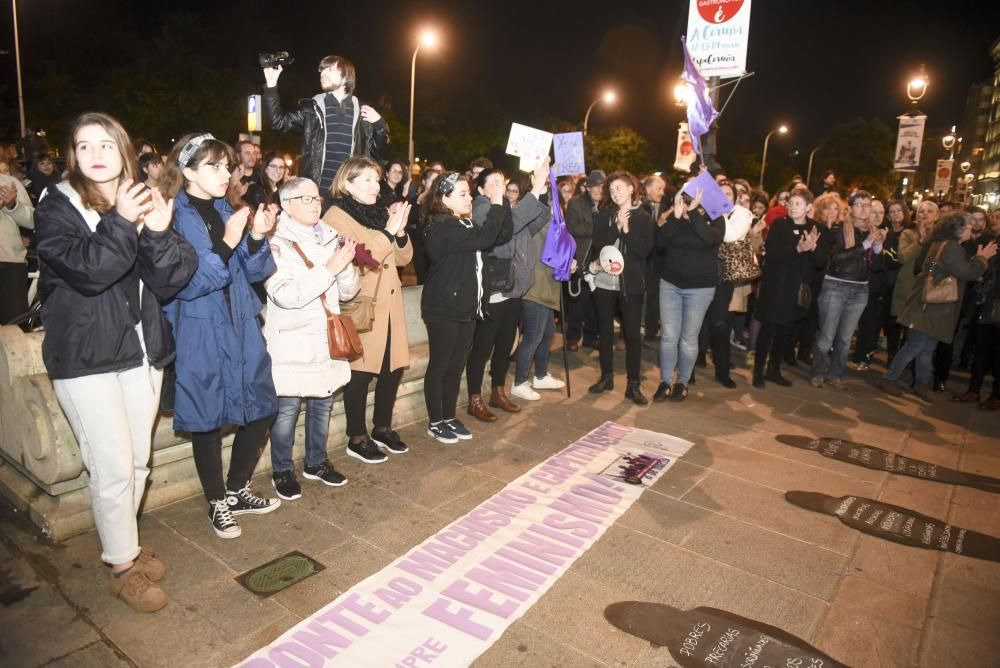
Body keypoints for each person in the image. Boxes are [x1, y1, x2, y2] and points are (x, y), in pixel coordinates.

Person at [35, 112, 197, 611]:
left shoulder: (139, 197)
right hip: (87, 355)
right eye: (85, 146)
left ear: (123, 150)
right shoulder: (55, 204)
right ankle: (123, 564)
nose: (97, 154)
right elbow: (90, 272)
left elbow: (170, 279)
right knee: (110, 466)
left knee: (137, 462)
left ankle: (122, 544)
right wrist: (124, 221)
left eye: (107, 144)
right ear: (73, 155)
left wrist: (160, 233)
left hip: (140, 350)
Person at [160, 133, 282, 539]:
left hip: (241, 320)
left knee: (263, 404)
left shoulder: (224, 208)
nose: (226, 172)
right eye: (214, 165)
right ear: (188, 170)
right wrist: (230, 241)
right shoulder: (173, 217)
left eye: (227, 165)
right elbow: (190, 283)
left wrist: (258, 238)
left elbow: (252, 271)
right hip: (199, 324)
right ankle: (217, 500)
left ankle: (237, 488)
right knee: (206, 417)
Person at [263, 178, 359, 500]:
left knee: (323, 402)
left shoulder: (330, 236)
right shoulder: (275, 243)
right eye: (307, 199)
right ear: (287, 205)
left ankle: (316, 462)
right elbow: (285, 295)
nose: (316, 204)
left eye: (318, 198)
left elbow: (349, 291)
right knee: (287, 407)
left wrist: (344, 268)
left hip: (326, 337)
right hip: (293, 339)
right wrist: (330, 269)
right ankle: (282, 469)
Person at [322, 156, 412, 462]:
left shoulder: (377, 213)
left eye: (377, 179)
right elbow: (363, 257)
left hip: (389, 301)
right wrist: (388, 231)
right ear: (348, 183)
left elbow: (403, 259)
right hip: (363, 302)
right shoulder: (336, 216)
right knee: (360, 373)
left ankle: (382, 427)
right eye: (369, 180)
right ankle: (356, 436)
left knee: (393, 366)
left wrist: (399, 232)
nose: (377, 186)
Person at [421, 172, 511, 443]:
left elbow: (499, 233)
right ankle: (435, 421)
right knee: (440, 366)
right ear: (444, 199)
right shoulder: (440, 228)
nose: (469, 197)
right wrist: (494, 204)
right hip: (444, 307)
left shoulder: (464, 224)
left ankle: (448, 416)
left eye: (469, 193)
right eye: (462, 194)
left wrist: (501, 201)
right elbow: (485, 238)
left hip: (466, 307)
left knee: (455, 366)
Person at [879, 214, 996, 402]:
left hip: (931, 306)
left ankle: (922, 383)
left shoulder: (940, 245)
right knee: (915, 346)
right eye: (967, 226)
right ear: (958, 230)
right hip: (931, 308)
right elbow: (965, 272)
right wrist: (982, 259)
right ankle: (890, 378)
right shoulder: (952, 248)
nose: (970, 230)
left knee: (926, 348)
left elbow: (932, 267)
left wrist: (941, 274)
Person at [465, 163, 551, 419]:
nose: (498, 188)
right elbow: (507, 230)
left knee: (504, 345)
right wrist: (534, 191)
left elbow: (534, 222)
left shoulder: (506, 210)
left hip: (512, 289)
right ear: (480, 189)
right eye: (492, 183)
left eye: (500, 183)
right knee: (483, 346)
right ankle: (475, 397)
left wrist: (542, 192)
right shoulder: (481, 208)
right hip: (492, 290)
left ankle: (498, 390)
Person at [264, 55, 388, 205]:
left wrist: (380, 125)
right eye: (322, 70)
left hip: (350, 197)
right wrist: (271, 86)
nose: (323, 74)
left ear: (345, 77)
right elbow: (278, 122)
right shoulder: (311, 109)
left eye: (330, 69)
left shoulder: (363, 112)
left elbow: (377, 154)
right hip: (317, 195)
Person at [588, 171, 655, 404]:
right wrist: (616, 226)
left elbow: (643, 250)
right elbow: (597, 242)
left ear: (631, 189)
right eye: (612, 189)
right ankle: (606, 377)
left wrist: (626, 229)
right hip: (605, 280)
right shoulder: (604, 213)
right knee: (605, 330)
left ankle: (633, 385)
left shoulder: (644, 217)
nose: (615, 193)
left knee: (632, 334)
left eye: (619, 188)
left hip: (631, 283)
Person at [654, 183, 724, 401]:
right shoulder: (677, 218)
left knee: (688, 339)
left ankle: (682, 383)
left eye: (692, 197)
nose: (687, 200)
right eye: (685, 197)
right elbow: (661, 243)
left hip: (700, 288)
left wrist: (693, 213)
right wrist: (674, 218)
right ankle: (665, 382)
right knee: (668, 337)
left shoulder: (715, 219)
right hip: (671, 284)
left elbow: (710, 239)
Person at [809, 191, 885, 390]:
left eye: (867, 205)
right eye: (859, 204)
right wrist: (865, 245)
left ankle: (836, 375)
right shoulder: (838, 229)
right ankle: (818, 372)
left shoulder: (873, 231)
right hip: (836, 285)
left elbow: (876, 267)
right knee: (826, 336)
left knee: (845, 338)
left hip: (860, 290)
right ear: (850, 208)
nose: (864, 209)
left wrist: (877, 248)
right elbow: (837, 259)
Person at [752, 189, 824, 388]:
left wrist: (813, 248)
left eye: (798, 203)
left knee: (784, 332)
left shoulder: (814, 228)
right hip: (776, 286)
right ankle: (758, 370)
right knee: (768, 330)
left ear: (808, 207)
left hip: (796, 290)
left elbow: (820, 262)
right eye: (791, 203)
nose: (792, 207)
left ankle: (774, 370)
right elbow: (772, 255)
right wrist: (797, 249)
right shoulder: (780, 225)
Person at [705, 181, 754, 388]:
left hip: (725, 276)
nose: (723, 197)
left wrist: (719, 210)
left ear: (734, 198)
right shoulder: (705, 210)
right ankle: (697, 360)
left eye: (727, 194)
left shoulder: (741, 213)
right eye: (719, 193)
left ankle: (722, 370)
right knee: (700, 320)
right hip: (704, 271)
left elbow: (730, 236)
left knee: (720, 323)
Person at [953, 210, 1000, 410]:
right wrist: (981, 269)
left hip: (995, 304)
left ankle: (996, 396)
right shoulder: (993, 242)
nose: (995, 221)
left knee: (998, 354)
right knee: (981, 350)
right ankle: (973, 390)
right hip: (985, 303)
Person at [564, 170, 605, 350]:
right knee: (577, 301)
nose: (599, 190)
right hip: (580, 258)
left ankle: (591, 336)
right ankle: (573, 337)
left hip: (601, 260)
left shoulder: (608, 204)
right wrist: (600, 225)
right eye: (595, 186)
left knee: (596, 303)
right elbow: (573, 228)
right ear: (588, 188)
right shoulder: (576, 203)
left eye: (602, 186)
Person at [0, 167, 33, 325]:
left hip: (10, 263)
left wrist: (13, 205)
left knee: (15, 330)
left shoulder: (10, 182)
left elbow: (32, 220)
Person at [641, 174, 669, 342]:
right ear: (648, 189)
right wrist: (657, 225)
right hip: (641, 260)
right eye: (659, 188)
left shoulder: (666, 209)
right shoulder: (638, 208)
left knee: (654, 297)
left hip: (658, 262)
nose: (662, 192)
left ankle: (651, 331)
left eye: (663, 189)